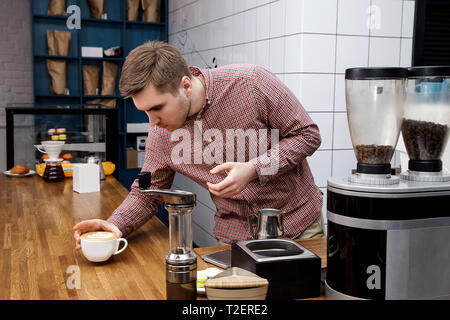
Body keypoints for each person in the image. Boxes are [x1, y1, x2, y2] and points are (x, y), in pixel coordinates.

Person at [73, 41, 324, 249]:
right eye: (145, 111)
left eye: (157, 108)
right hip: (233, 240)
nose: (153, 122)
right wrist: (115, 225)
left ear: (186, 86)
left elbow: (307, 134)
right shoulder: (161, 133)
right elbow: (147, 193)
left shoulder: (251, 82)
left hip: (298, 227)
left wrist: (254, 169)